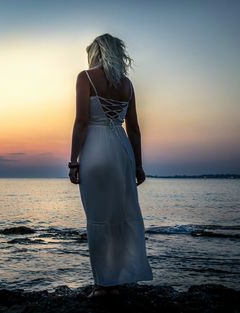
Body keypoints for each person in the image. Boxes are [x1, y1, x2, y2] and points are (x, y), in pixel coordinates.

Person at [68, 33, 153, 298]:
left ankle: (103, 284)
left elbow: (81, 121)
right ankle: (122, 277)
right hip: (122, 151)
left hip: (95, 151)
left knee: (98, 219)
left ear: (96, 53)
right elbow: (135, 129)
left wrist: (73, 162)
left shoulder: (86, 77)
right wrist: (138, 165)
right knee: (121, 215)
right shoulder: (127, 84)